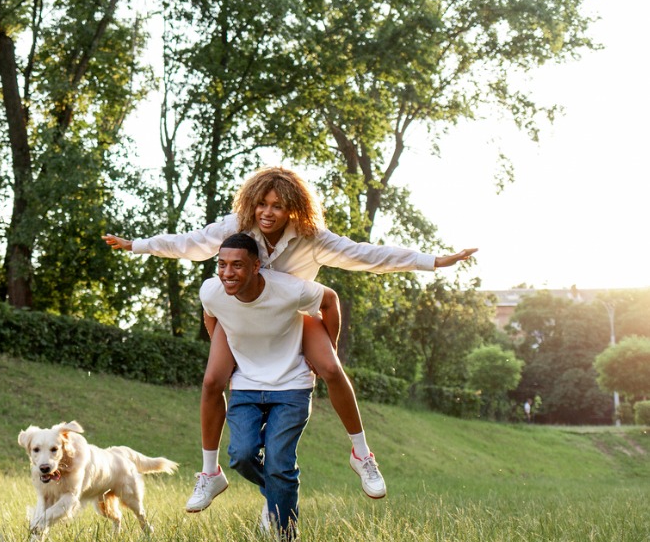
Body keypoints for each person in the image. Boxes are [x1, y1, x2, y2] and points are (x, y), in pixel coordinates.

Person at [103, 166, 476, 512]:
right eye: (262, 204)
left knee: (330, 367)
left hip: (294, 315)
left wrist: (432, 261)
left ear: (293, 209)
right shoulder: (239, 226)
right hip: (243, 317)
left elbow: (367, 255)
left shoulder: (311, 238)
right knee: (212, 380)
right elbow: (192, 243)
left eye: (278, 206)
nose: (267, 212)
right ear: (252, 203)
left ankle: (362, 456)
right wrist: (138, 245)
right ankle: (210, 473)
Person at [200, 233, 331, 542]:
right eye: (222, 264)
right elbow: (213, 320)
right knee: (241, 455)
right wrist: (227, 353)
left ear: (256, 265)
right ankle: (276, 490)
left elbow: (330, 300)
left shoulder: (287, 289)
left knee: (279, 464)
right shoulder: (211, 290)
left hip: (292, 386)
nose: (227, 272)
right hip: (245, 385)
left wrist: (331, 347)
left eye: (237, 265)